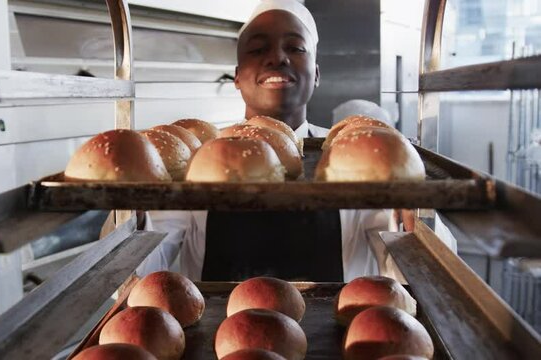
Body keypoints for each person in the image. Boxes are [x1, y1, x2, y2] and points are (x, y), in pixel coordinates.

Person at [136, 0, 451, 282]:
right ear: (237, 76)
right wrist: (133, 209)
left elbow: (412, 274)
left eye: (295, 48)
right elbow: (144, 266)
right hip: (216, 338)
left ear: (315, 74)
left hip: (342, 337)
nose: (277, 57)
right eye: (258, 49)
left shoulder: (352, 158)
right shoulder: (200, 159)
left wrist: (416, 220)